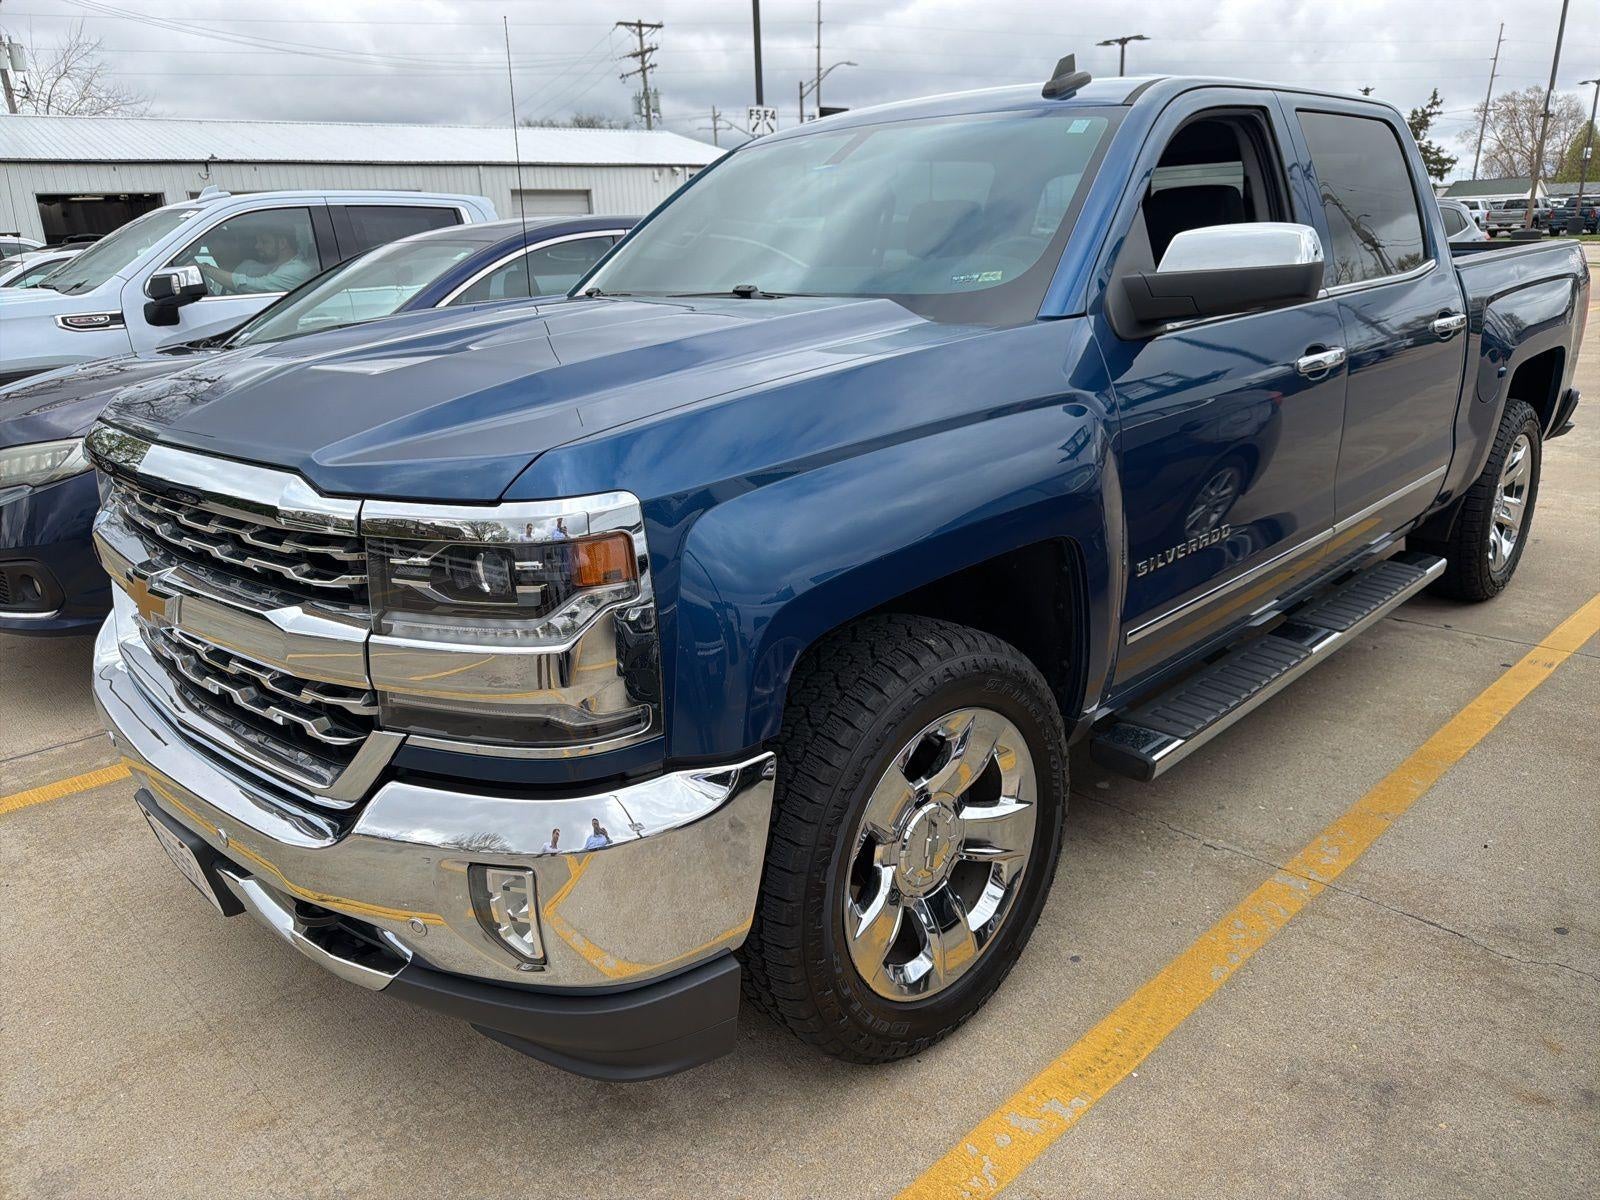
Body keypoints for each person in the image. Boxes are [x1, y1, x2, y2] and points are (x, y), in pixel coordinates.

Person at [202, 228, 313, 295]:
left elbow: (252, 286)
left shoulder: (296, 270)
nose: (257, 246)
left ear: (283, 243)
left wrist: (204, 268)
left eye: (264, 242)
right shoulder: (279, 267)